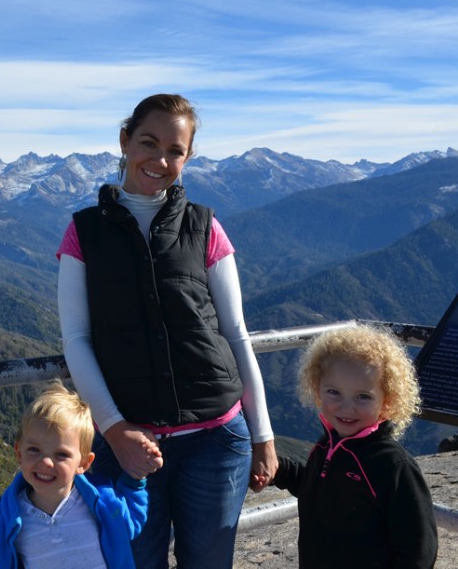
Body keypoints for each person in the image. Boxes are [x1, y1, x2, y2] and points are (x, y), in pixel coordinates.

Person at [56, 93, 278, 568]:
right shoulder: (84, 233)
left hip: (216, 440)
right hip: (126, 443)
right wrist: (113, 430)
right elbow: (76, 338)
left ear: (187, 158)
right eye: (148, 143)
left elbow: (236, 333)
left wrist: (263, 435)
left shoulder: (205, 226)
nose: (159, 160)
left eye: (174, 151)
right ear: (124, 141)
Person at [273, 324, 438, 568]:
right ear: (317, 389)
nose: (346, 407)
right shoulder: (326, 447)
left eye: (363, 396)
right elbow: (319, 489)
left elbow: (419, 548)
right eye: (334, 392)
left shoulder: (392, 465)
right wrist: (278, 468)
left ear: (388, 400)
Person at [0, 380, 150, 568]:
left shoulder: (104, 503)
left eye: (61, 454)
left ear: (83, 463)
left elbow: (130, 522)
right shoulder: (4, 517)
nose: (45, 461)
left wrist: (135, 481)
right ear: (19, 453)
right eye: (34, 450)